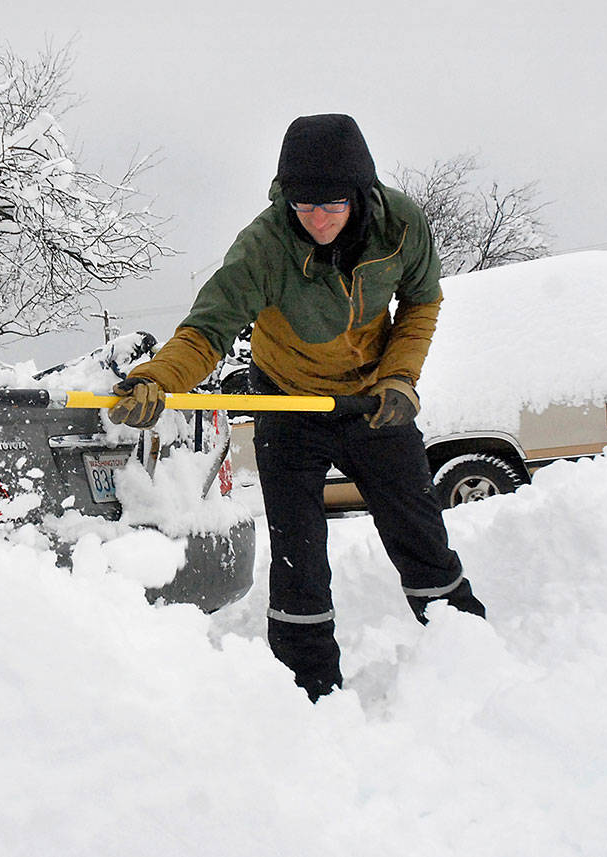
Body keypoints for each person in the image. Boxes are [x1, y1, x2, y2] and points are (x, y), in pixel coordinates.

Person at [108, 114, 486, 701]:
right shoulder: (263, 247)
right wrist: (158, 377)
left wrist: (401, 379)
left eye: (333, 204)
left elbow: (421, 303)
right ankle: (307, 687)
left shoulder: (403, 226)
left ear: (361, 194)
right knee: (299, 554)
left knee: (420, 530)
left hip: (372, 401)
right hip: (288, 402)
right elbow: (207, 331)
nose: (319, 218)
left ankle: (466, 648)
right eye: (304, 205)